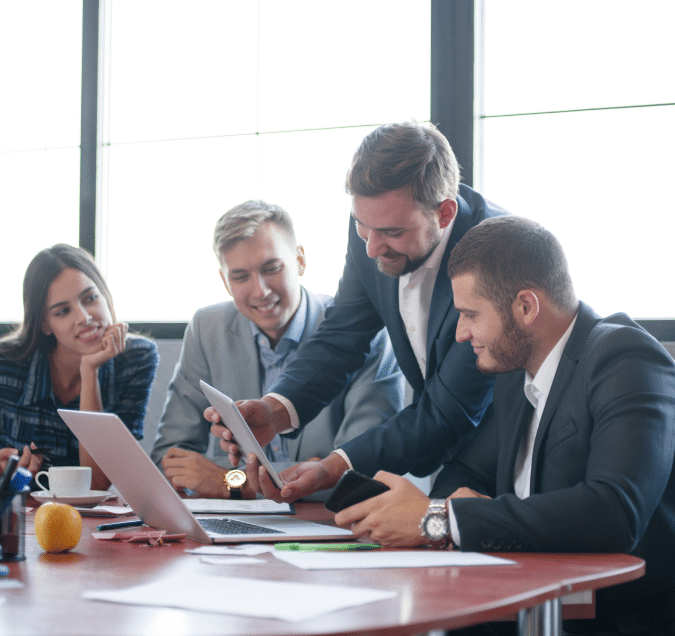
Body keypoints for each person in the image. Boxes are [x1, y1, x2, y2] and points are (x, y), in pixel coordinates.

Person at [335, 216, 675, 636]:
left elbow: (614, 511)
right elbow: (466, 472)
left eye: (470, 314)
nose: (461, 333)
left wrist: (439, 519)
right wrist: (431, 517)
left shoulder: (624, 358)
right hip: (524, 597)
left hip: (611, 618)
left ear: (526, 307)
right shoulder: (516, 372)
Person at [207, 121, 508, 502]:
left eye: (392, 233)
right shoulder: (375, 225)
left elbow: (449, 412)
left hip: (507, 458)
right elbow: (342, 337)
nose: (371, 248)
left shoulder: (496, 251)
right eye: (362, 226)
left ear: (445, 213)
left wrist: (331, 467)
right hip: (451, 460)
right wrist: (274, 411)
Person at [151, 200, 405, 499]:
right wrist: (307, 468)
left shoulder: (360, 329)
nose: (260, 291)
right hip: (236, 532)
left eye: (271, 268)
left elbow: (365, 473)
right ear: (224, 280)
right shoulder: (207, 328)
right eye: (240, 276)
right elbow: (170, 460)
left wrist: (231, 483)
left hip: (328, 527)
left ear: (300, 260)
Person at [0, 244, 159, 490]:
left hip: (93, 522)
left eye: (90, 298)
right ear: (44, 324)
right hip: (22, 514)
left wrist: (90, 372)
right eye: (63, 311)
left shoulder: (136, 359)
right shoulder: (6, 364)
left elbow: (97, 483)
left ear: (104, 295)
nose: (84, 317)